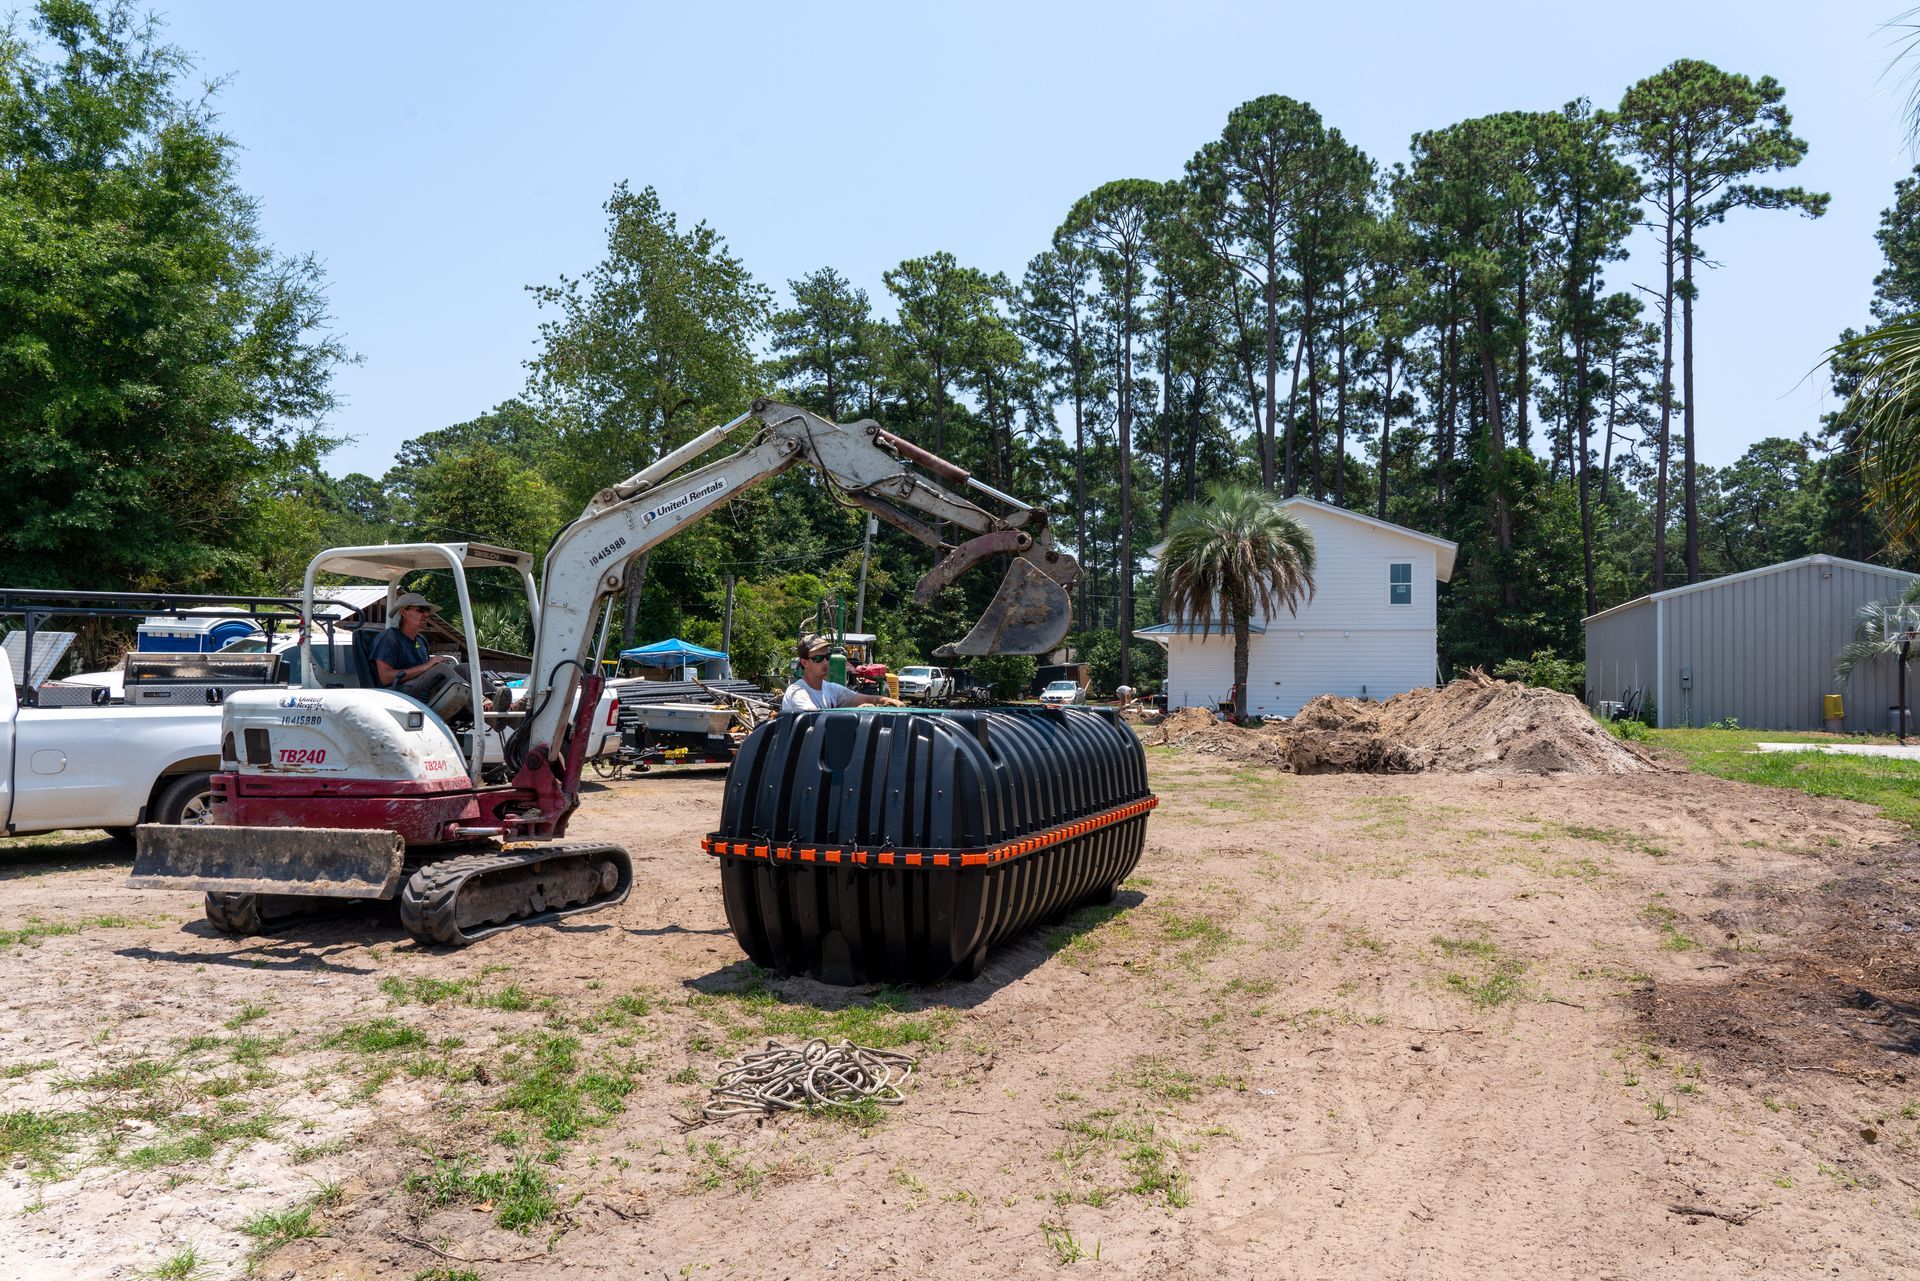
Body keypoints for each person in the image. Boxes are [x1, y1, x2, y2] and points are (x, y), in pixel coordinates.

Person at [371, 593, 471, 715]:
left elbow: (427, 673)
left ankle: (495, 700)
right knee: (441, 669)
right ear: (404, 612)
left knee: (465, 668)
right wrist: (429, 665)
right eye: (421, 610)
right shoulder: (389, 637)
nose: (427, 615)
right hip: (400, 692)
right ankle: (482, 703)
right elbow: (385, 677)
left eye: (428, 610)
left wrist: (430, 666)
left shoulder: (421, 641)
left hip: (422, 687)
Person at [781, 634, 905, 713]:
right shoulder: (797, 692)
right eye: (818, 659)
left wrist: (885, 700)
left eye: (827, 657)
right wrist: (855, 712)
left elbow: (866, 698)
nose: (825, 662)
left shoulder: (831, 689)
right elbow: (814, 718)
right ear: (804, 662)